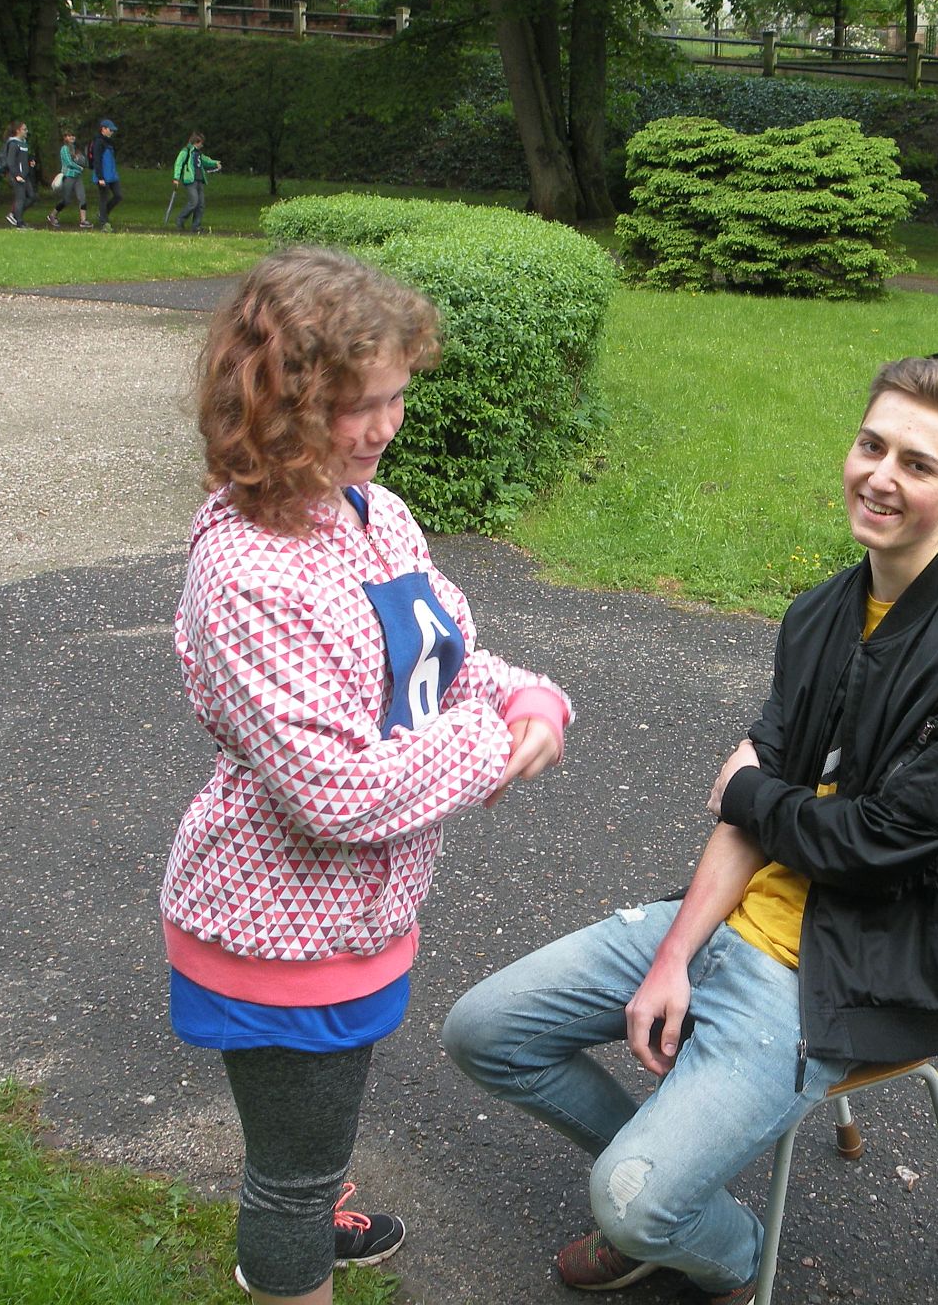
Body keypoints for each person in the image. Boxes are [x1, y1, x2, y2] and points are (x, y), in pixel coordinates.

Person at [444, 358, 938, 1305]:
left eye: (918, 465)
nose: (881, 476)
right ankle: (661, 1195)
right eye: (872, 445)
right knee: (484, 1032)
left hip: (845, 970)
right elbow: (753, 812)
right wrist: (673, 955)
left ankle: (718, 1247)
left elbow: (876, 847)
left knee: (631, 1204)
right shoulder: (819, 615)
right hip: (730, 922)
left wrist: (755, 794)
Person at [162, 246, 573, 1303]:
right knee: (288, 1182)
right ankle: (294, 1245)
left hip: (359, 918)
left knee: (317, 1137)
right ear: (277, 405)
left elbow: (440, 660)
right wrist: (488, 745)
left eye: (395, 397)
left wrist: (527, 697)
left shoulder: (372, 512)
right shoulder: (247, 571)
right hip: (276, 930)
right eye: (357, 406)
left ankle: (315, 1205)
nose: (384, 426)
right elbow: (334, 791)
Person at [172, 131, 221, 233]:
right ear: (196, 142)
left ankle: (196, 226)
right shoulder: (185, 152)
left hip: (199, 180)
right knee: (193, 202)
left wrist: (215, 163)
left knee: (201, 204)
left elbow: (205, 160)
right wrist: (176, 178)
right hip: (190, 180)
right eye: (201, 143)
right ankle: (180, 219)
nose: (202, 145)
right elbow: (178, 164)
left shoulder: (198, 153)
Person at [47, 128, 90, 228]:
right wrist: (79, 167)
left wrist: (81, 162)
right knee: (66, 200)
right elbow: (68, 163)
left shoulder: (75, 148)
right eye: (69, 136)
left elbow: (83, 161)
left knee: (82, 197)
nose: (72, 137)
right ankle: (52, 215)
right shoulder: (64, 149)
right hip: (68, 176)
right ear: (65, 137)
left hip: (77, 176)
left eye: (73, 136)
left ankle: (83, 220)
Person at [0, 120, 37, 228]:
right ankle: (19, 222)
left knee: (32, 197)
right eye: (24, 129)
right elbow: (10, 162)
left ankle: (14, 215)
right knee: (20, 198)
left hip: (25, 175)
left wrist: (30, 163)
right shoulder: (13, 144)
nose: (26, 131)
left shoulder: (24, 143)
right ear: (18, 130)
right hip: (17, 176)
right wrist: (16, 175)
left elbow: (23, 159)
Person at [91, 119, 122, 230]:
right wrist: (100, 177)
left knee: (118, 196)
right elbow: (97, 160)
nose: (112, 132)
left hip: (112, 175)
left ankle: (102, 214)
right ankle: (104, 223)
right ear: (103, 129)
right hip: (103, 176)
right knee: (103, 198)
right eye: (110, 130)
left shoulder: (109, 142)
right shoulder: (98, 142)